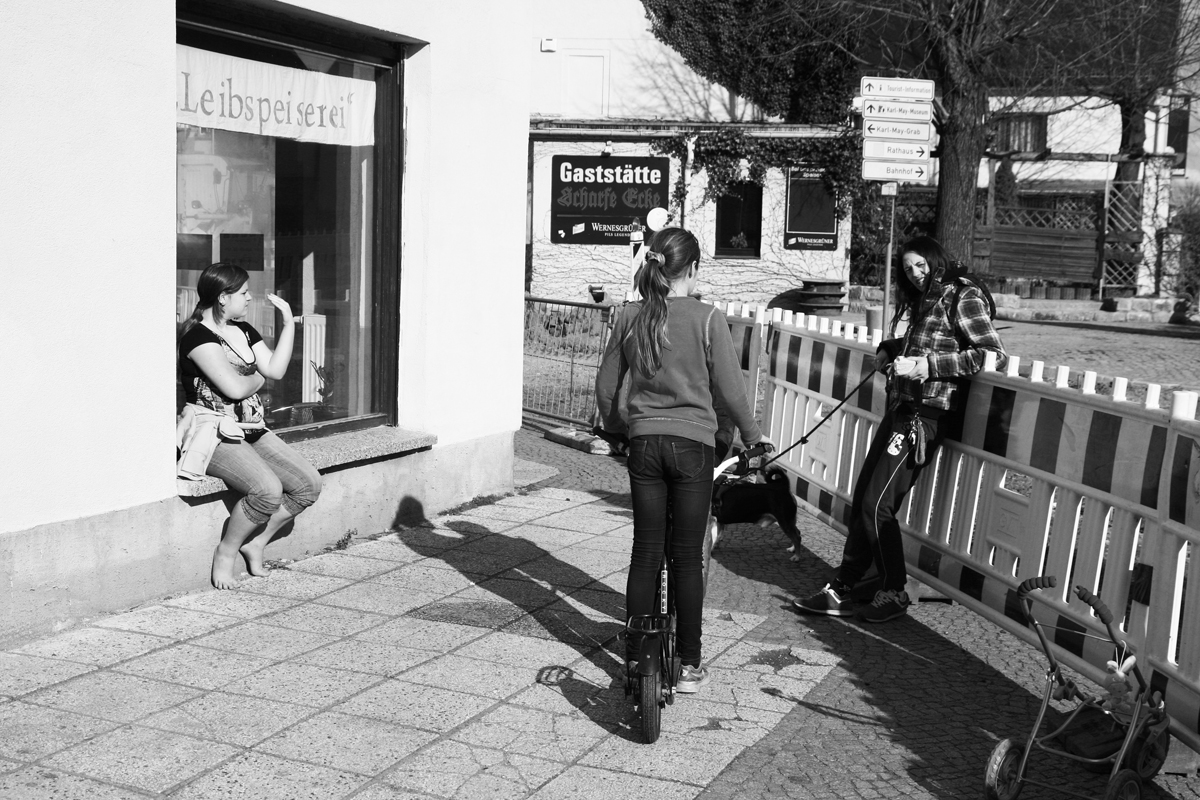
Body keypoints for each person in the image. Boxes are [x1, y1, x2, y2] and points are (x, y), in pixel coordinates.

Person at [595, 227, 771, 693]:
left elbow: (608, 386)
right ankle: (690, 665)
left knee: (645, 551)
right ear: (691, 268)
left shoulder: (629, 315)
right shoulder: (709, 319)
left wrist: (616, 430)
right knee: (686, 557)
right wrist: (753, 439)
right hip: (694, 447)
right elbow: (732, 390)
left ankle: (635, 656)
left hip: (645, 445)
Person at [794, 236, 1005, 623]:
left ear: (936, 258)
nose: (915, 273)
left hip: (927, 416)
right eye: (908, 268)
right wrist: (893, 348)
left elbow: (990, 354)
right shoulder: (928, 298)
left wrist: (927, 367)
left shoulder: (964, 295)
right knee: (863, 500)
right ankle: (845, 587)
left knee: (879, 505)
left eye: (920, 264)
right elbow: (926, 340)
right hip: (903, 408)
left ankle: (894, 591)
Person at [178, 262, 322, 589]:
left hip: (252, 428)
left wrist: (288, 325)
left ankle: (256, 543)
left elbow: (278, 369)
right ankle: (226, 552)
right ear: (222, 298)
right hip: (214, 432)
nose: (249, 298)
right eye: (243, 293)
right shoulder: (198, 338)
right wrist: (260, 374)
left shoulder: (243, 331)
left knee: (307, 484)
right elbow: (236, 389)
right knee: (267, 490)